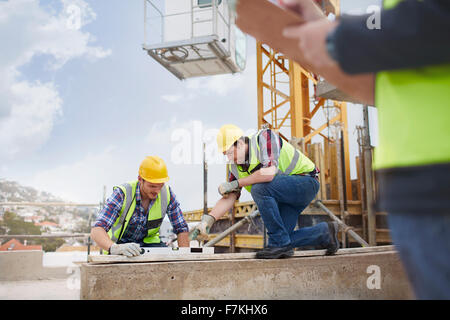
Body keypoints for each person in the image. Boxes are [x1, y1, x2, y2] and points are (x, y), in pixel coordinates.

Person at [279, 0, 450, 299]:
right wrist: (321, 24)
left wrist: (339, 36)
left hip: (436, 183)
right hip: (418, 186)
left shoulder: (259, 147)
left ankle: (280, 242)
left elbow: (430, 21)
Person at [191, 124, 340, 259]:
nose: (229, 158)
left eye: (230, 153)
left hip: (306, 183)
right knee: (284, 240)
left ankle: (279, 243)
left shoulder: (264, 138)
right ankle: (325, 232)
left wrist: (236, 183)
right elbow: (230, 196)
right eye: (226, 155)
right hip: (284, 197)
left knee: (259, 188)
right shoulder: (235, 167)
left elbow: (268, 173)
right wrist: (207, 221)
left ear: (241, 143)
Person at [91, 156, 189, 256]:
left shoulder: (167, 194)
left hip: (150, 246)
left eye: (160, 185)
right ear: (140, 180)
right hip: (121, 246)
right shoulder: (123, 194)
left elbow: (181, 228)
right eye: (152, 186)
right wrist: (114, 248)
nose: (157, 191)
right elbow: (97, 229)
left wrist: (185, 258)